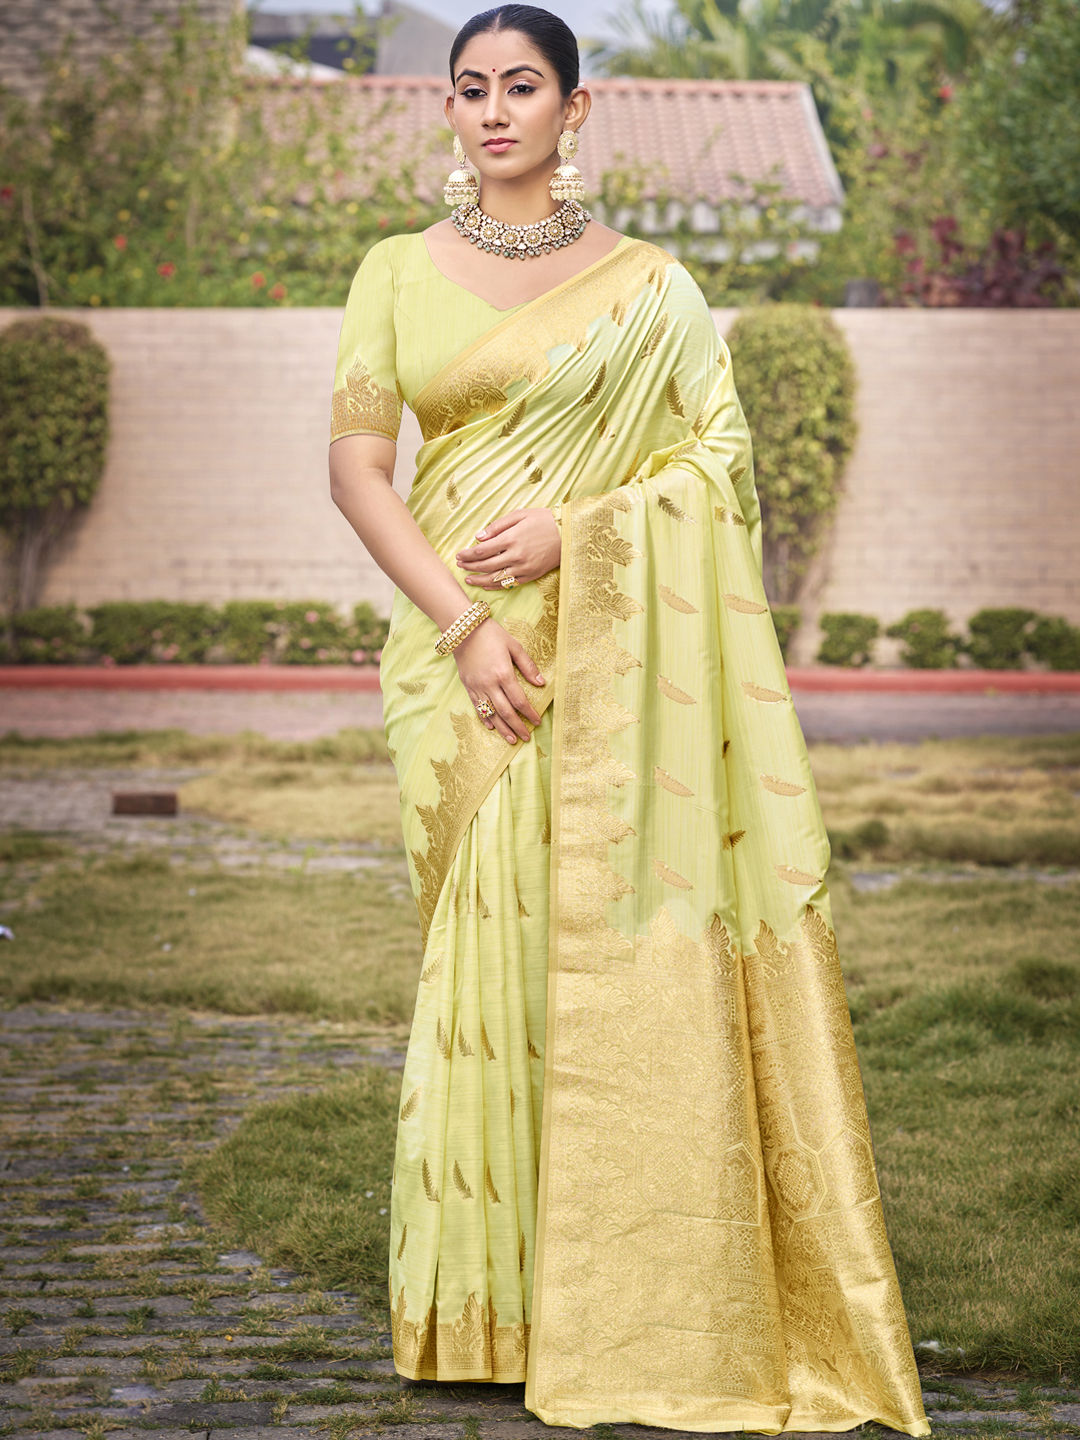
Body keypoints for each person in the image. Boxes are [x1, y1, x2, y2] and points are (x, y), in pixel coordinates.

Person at [327, 6, 930, 1434]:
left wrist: (583, 532)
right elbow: (357, 473)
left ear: (574, 110)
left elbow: (721, 467)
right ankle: (485, 1313)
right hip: (461, 666)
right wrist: (466, 626)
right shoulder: (394, 271)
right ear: (449, 110)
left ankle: (627, 1302)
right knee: (484, 961)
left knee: (609, 948)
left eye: (522, 86)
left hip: (611, 657)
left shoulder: (656, 288)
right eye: (470, 88)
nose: (493, 110)